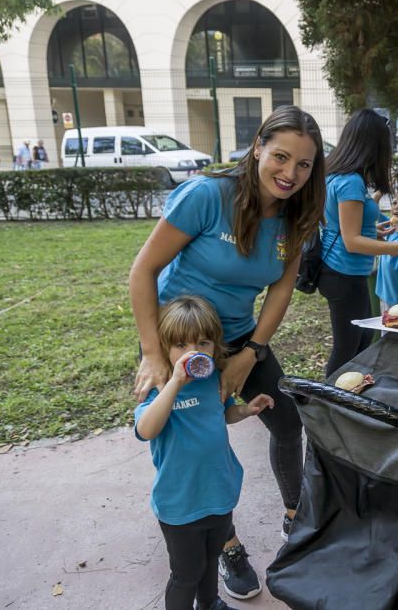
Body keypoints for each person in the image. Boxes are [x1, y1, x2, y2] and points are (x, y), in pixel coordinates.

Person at [129, 104, 326, 600]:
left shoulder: (297, 215)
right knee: (199, 440)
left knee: (286, 422)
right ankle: (226, 544)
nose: (290, 173)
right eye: (280, 157)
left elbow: (280, 291)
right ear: (257, 147)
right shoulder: (206, 197)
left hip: (238, 338)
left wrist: (252, 352)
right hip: (184, 338)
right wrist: (156, 356)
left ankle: (293, 520)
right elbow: (142, 272)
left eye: (304, 164)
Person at [135, 295, 275, 610]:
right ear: (163, 347)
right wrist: (174, 383)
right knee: (187, 573)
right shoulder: (158, 388)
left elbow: (223, 414)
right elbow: (146, 430)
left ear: (215, 345)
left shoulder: (213, 380)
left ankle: (209, 603)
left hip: (218, 492)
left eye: (202, 343)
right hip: (180, 503)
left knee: (212, 559)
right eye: (181, 345)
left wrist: (246, 411)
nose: (193, 353)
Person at [318, 108, 398, 377]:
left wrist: (374, 231)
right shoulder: (350, 182)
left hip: (343, 273)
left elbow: (341, 227)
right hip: (343, 275)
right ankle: (324, 407)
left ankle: (345, 402)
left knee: (361, 343)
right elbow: (352, 241)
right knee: (347, 350)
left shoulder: (335, 175)